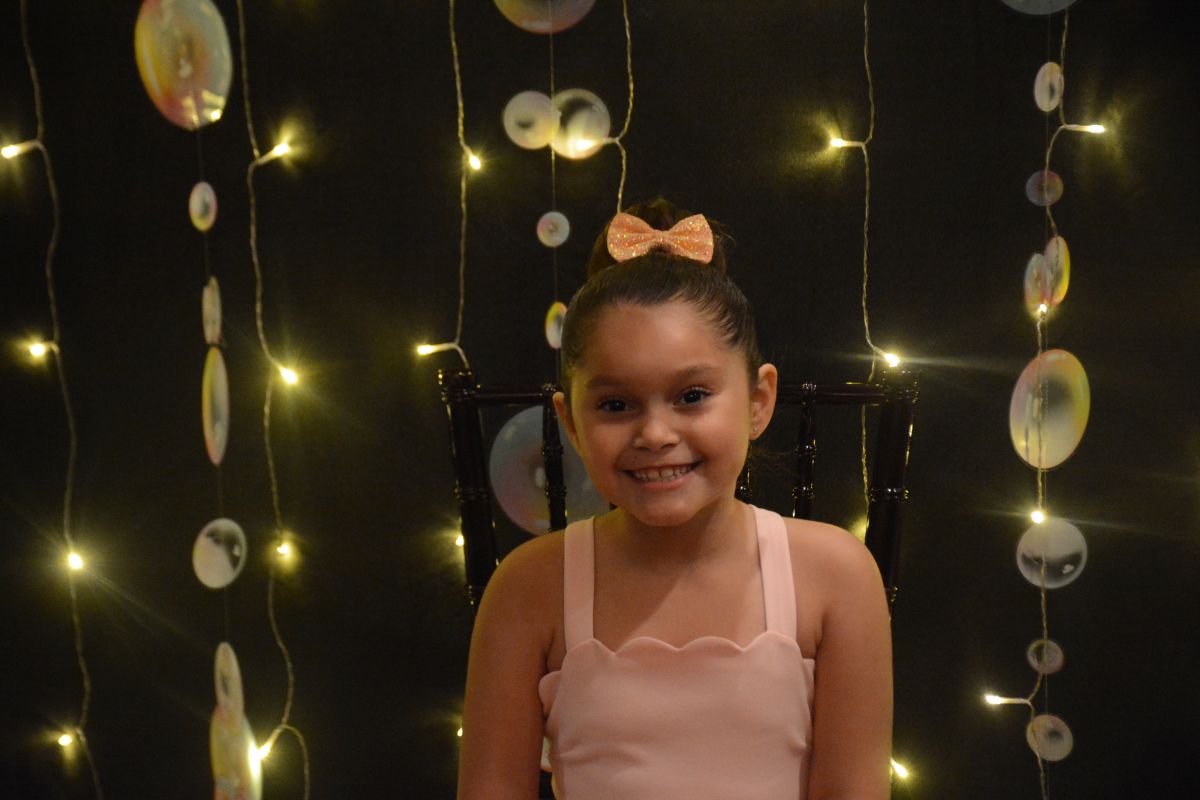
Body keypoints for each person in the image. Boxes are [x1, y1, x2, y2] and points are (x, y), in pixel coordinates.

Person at [457, 198, 892, 799]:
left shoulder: (837, 575)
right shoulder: (528, 587)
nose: (656, 434)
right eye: (616, 404)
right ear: (571, 423)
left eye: (691, 396)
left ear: (759, 400)